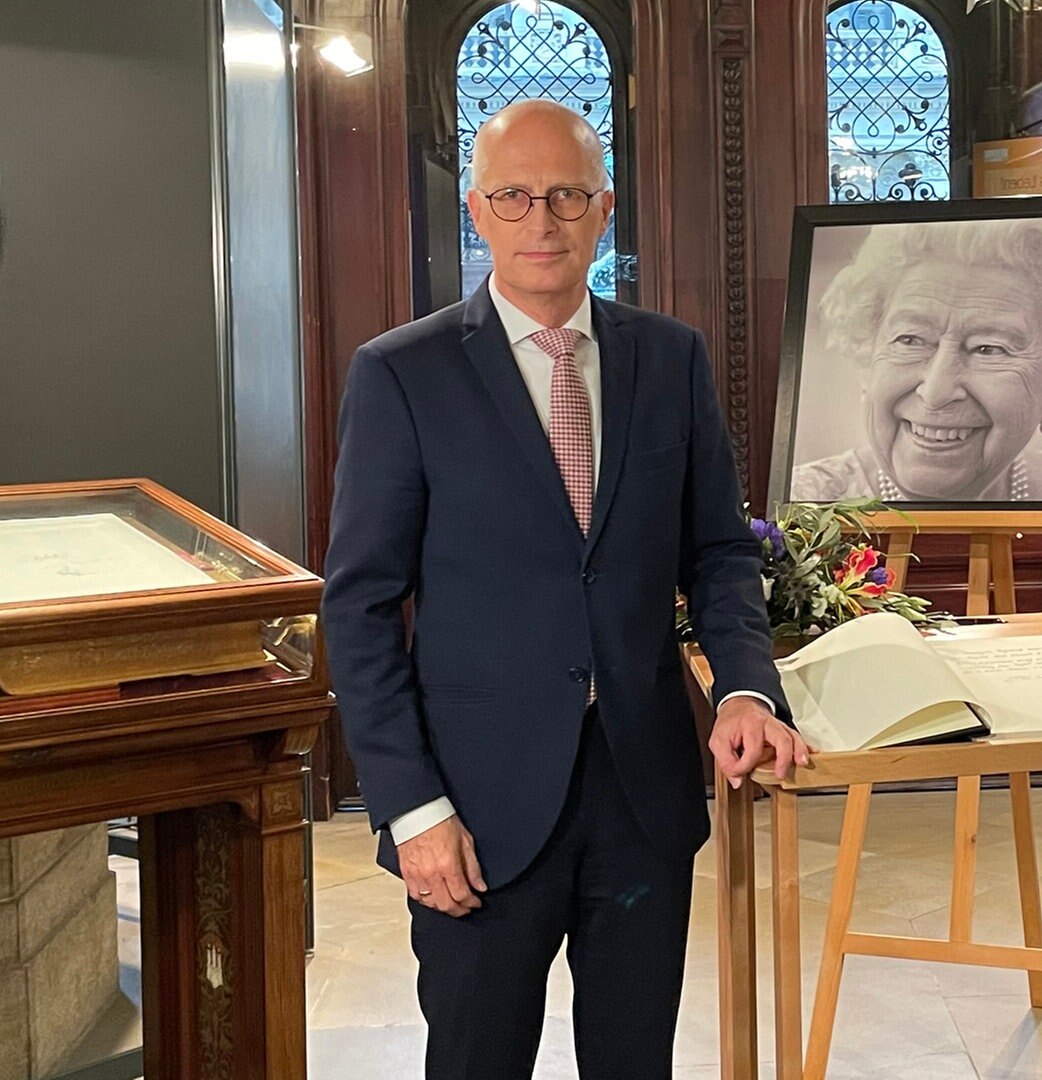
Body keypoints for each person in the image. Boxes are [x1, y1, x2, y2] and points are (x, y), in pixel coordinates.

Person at [321, 98, 809, 1080]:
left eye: (566, 196)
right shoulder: (402, 374)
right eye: (513, 195)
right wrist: (410, 809)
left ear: (604, 207)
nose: (540, 220)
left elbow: (718, 550)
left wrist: (748, 688)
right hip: (474, 809)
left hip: (641, 794)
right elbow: (361, 608)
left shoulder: (669, 358)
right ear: (476, 210)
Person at [789, 216, 1042, 502]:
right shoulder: (790, 508)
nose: (937, 392)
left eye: (989, 348)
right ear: (868, 359)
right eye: (910, 339)